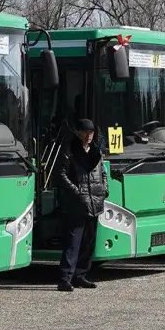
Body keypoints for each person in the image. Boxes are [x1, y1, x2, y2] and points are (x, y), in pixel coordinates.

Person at [56, 118, 108, 292]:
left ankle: (81, 275)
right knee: (73, 241)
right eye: (86, 132)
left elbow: (103, 173)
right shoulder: (70, 151)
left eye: (91, 132)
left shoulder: (96, 152)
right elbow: (61, 174)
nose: (89, 136)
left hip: (95, 201)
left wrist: (104, 190)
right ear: (78, 133)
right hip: (77, 203)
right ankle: (65, 278)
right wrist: (76, 192)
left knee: (89, 241)